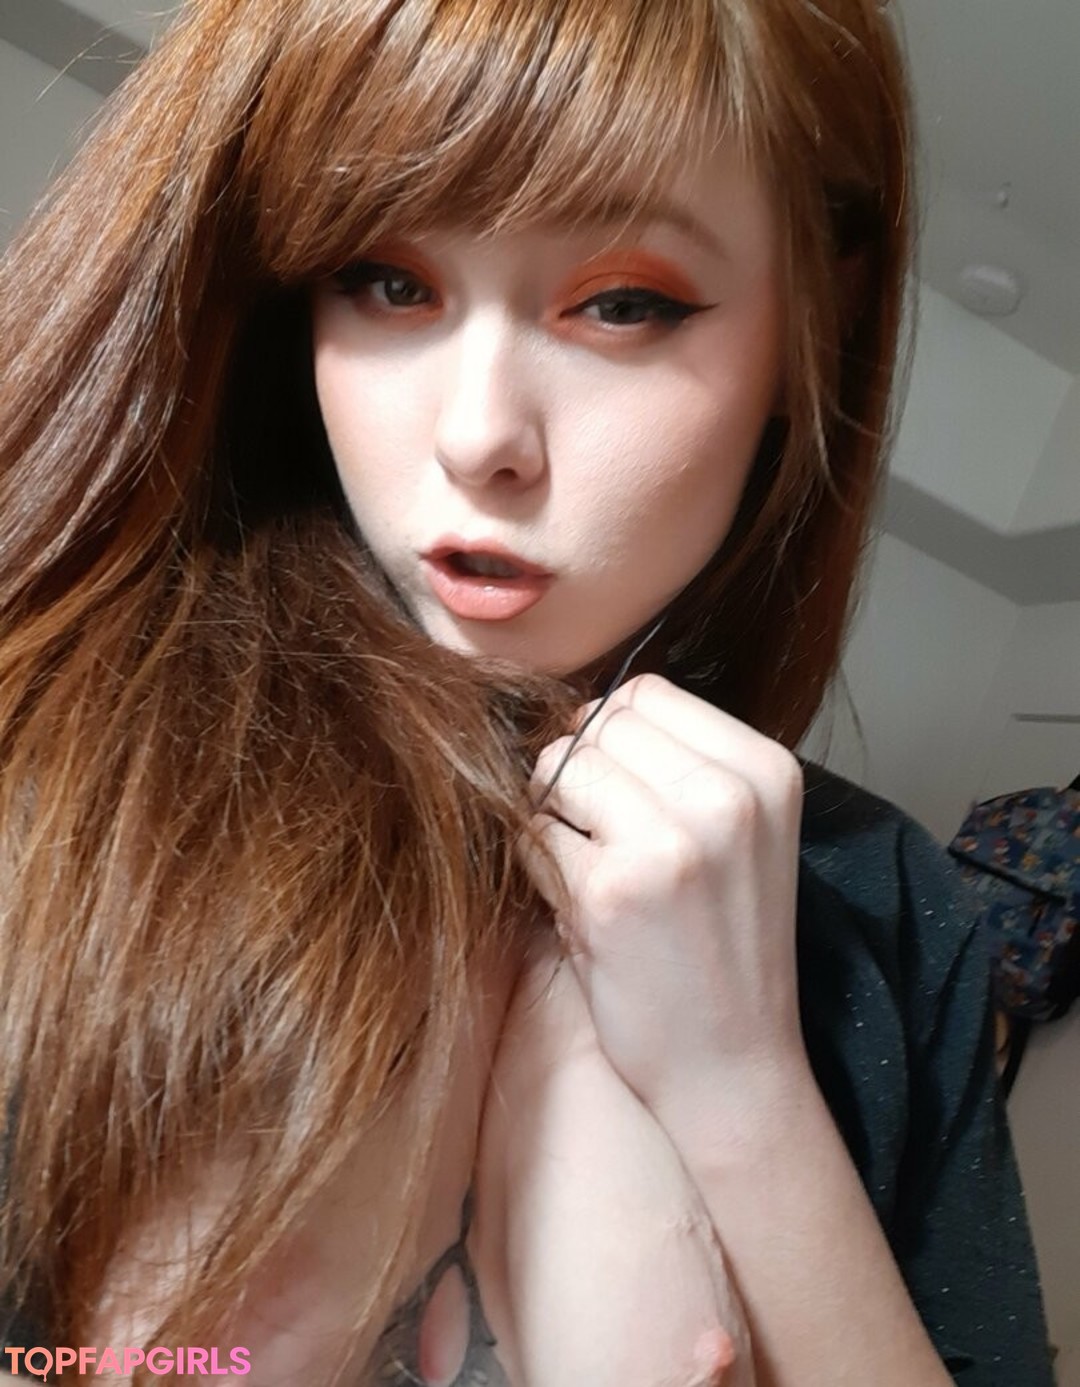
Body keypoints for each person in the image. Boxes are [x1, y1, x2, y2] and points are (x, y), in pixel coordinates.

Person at [0, 0, 1055, 1383]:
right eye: (387, 281)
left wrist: (742, 1089)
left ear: (818, 313)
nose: (479, 435)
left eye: (622, 304)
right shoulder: (65, 752)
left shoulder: (884, 905)